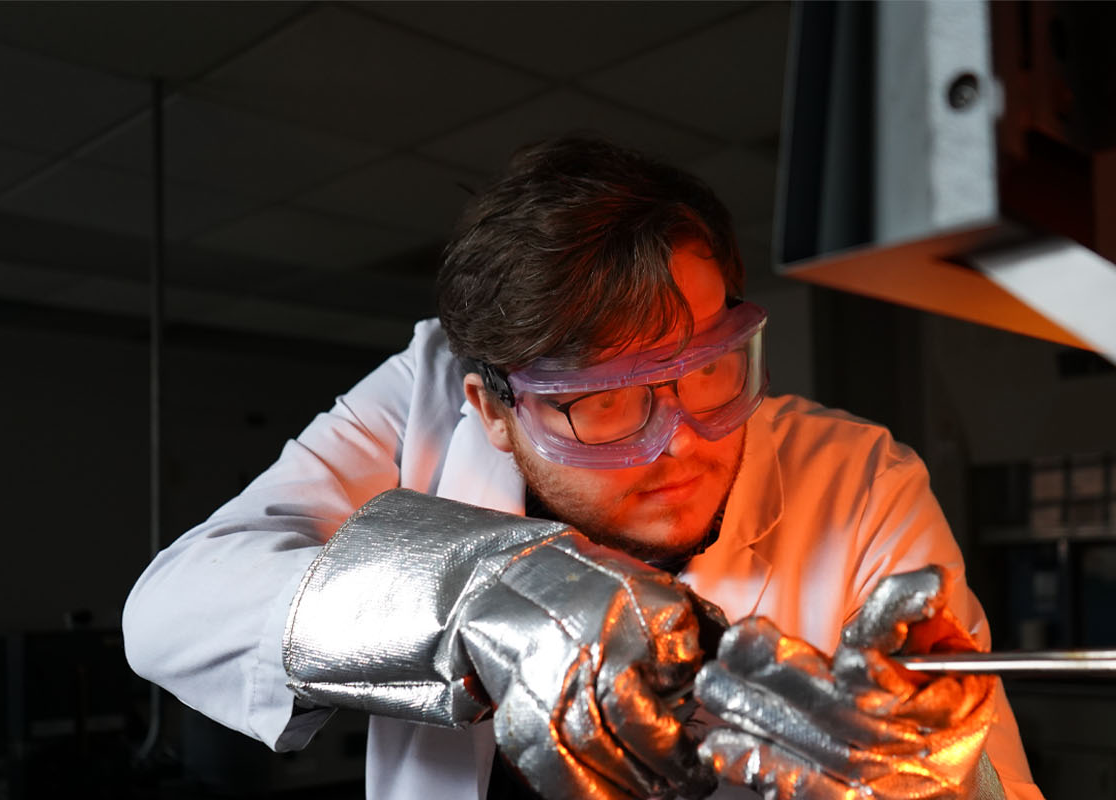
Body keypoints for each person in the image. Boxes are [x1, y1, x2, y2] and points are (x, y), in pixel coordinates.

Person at [123, 137, 1043, 800]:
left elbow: (989, 770)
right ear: (493, 410)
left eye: (708, 369)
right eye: (603, 402)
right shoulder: (432, 395)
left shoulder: (859, 477)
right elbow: (172, 609)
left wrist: (922, 771)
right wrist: (481, 598)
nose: (680, 439)